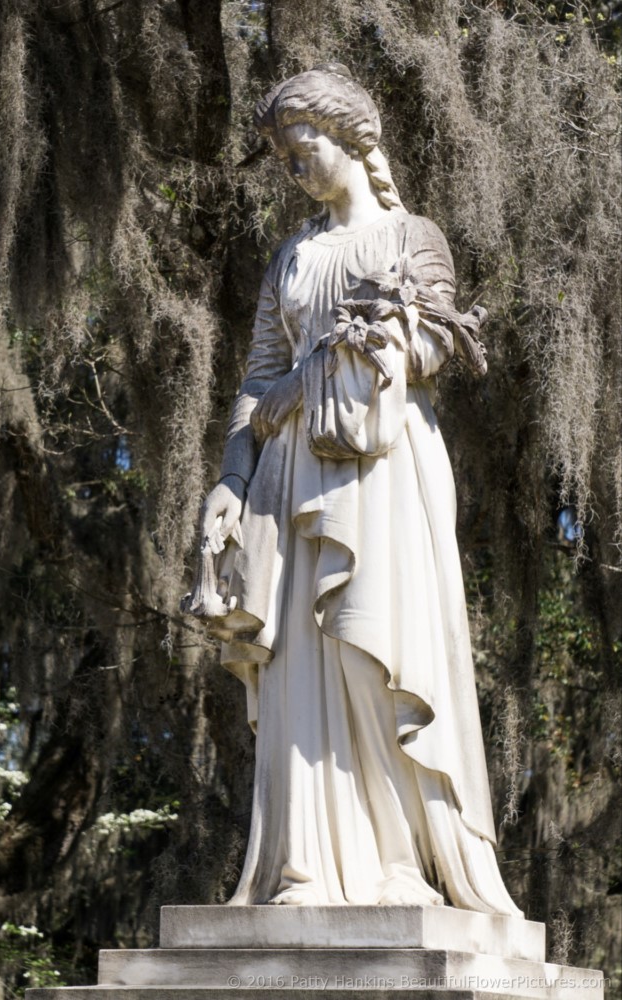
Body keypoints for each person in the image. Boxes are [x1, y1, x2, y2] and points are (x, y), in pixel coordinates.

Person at [190, 64, 521, 915]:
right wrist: (229, 480)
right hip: (289, 476)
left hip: (383, 470)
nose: (297, 170)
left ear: (351, 140)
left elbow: (435, 352)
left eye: (305, 151)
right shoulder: (293, 257)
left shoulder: (415, 240)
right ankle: (309, 866)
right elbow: (257, 375)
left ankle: (400, 862)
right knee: (302, 658)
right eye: (285, 160)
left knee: (379, 652)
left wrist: (358, 351)